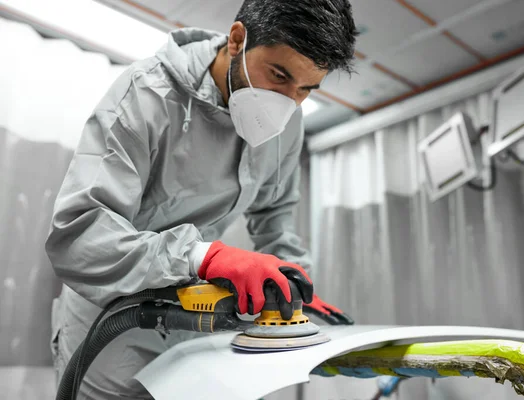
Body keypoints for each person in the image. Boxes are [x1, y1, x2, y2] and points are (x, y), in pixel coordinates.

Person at [45, 0, 359, 398]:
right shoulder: (145, 96)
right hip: (109, 321)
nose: (288, 103)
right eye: (279, 76)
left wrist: (292, 293)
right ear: (237, 39)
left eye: (306, 89)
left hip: (194, 320)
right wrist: (203, 257)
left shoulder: (290, 121)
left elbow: (274, 215)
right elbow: (79, 236)